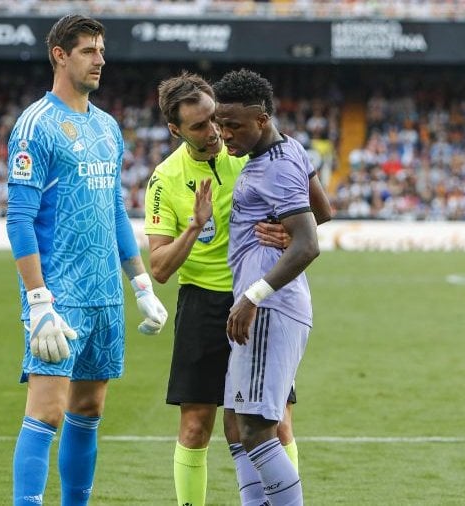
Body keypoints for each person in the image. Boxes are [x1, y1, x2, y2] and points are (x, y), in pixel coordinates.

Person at [144, 71, 331, 506]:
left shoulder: (247, 147)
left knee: (272, 421)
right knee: (201, 426)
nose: (214, 133)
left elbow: (309, 217)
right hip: (205, 301)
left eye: (217, 120)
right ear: (176, 130)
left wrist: (292, 235)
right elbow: (159, 267)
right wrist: (193, 226)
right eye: (199, 126)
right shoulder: (165, 178)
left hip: (258, 298)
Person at [4, 15, 169, 506]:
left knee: (90, 408)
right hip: (58, 295)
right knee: (47, 411)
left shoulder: (107, 126)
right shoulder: (36, 126)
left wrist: (140, 284)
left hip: (104, 293)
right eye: (89, 51)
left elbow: (113, 206)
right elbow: (19, 220)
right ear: (60, 54)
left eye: (101, 50)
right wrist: (37, 301)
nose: (101, 59)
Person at [214, 68, 322, 506]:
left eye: (233, 125)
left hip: (269, 308)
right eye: (221, 124)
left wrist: (253, 296)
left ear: (261, 119)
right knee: (237, 426)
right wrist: (288, 228)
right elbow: (323, 209)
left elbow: (309, 243)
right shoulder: (289, 150)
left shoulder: (274, 167)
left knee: (258, 427)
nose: (224, 134)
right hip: (265, 306)